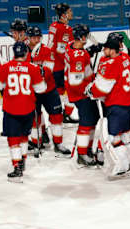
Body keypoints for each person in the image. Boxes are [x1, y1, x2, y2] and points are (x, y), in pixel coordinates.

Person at [87, 36, 130, 179]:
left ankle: (123, 167)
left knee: (114, 137)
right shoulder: (126, 58)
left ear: (112, 50)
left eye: (106, 48)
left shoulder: (110, 64)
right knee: (127, 132)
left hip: (118, 106)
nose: (103, 50)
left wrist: (91, 90)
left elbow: (102, 89)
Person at [0, 42, 46, 182]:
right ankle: (22, 161)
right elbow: (41, 89)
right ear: (26, 53)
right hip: (28, 109)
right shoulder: (33, 68)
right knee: (23, 136)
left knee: (13, 138)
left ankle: (17, 167)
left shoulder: (5, 67)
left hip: (11, 110)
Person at [27, 26, 70, 157]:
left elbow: (48, 69)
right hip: (32, 91)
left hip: (49, 90)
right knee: (34, 119)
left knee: (56, 116)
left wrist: (35, 74)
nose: (36, 40)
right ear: (28, 38)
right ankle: (36, 143)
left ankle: (58, 144)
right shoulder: (24, 51)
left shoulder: (47, 50)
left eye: (38, 37)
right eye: (33, 37)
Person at [65, 24, 101, 167]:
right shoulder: (79, 55)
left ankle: (87, 148)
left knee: (93, 118)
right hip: (82, 94)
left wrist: (91, 49)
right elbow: (75, 81)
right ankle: (82, 154)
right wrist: (91, 83)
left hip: (81, 92)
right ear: (83, 37)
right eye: (87, 35)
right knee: (87, 122)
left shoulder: (71, 46)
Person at [47, 2, 78, 124]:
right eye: (69, 11)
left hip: (53, 65)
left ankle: (58, 115)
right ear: (64, 15)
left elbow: (51, 46)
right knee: (73, 90)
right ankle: (66, 114)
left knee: (59, 91)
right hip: (62, 66)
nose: (71, 13)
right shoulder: (66, 29)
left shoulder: (53, 26)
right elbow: (62, 49)